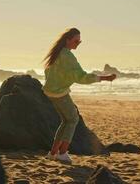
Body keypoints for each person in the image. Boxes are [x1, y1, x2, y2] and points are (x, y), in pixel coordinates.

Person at [41, 27, 116, 163]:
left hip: (50, 92)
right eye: (76, 41)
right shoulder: (67, 56)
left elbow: (48, 73)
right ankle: (62, 153)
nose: (77, 44)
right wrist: (104, 78)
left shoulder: (56, 53)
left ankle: (53, 153)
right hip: (59, 93)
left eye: (79, 42)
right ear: (68, 40)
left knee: (66, 120)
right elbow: (81, 77)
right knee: (73, 119)